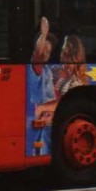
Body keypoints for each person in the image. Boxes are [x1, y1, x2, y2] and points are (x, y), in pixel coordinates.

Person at [29, 16, 59, 153]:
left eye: (49, 51)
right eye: (44, 50)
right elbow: (38, 54)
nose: (46, 54)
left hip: (46, 123)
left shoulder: (47, 71)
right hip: (37, 122)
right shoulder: (36, 67)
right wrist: (44, 34)